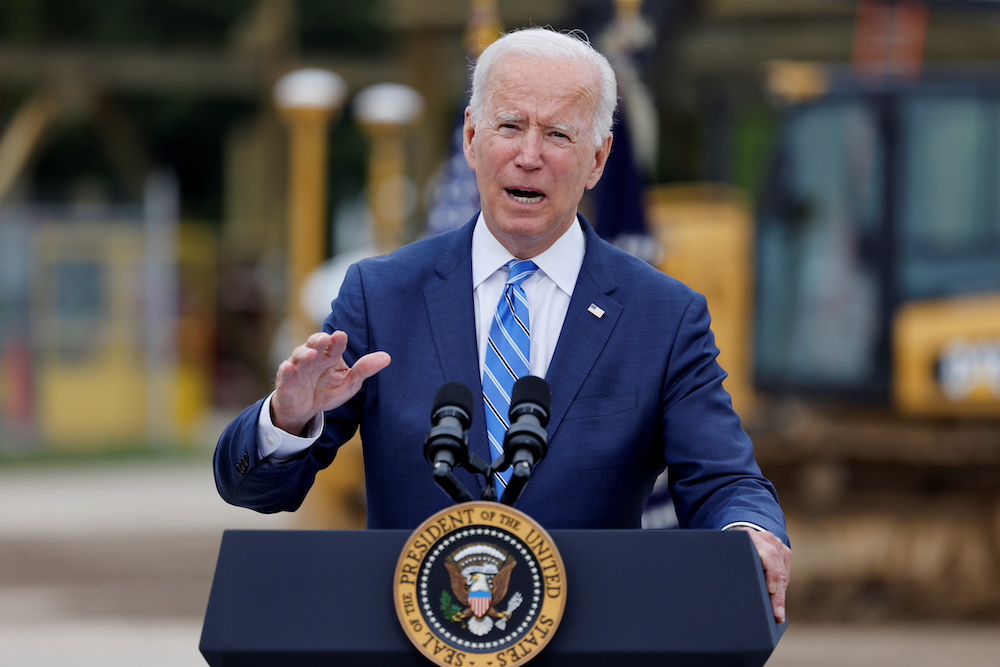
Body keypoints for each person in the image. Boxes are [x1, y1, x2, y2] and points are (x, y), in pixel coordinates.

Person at [214, 26, 791, 624]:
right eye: (510, 126)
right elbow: (256, 490)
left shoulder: (663, 316)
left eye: (558, 134)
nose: (529, 155)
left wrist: (749, 532)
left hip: (591, 637)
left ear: (598, 160)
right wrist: (286, 419)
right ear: (471, 138)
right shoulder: (381, 295)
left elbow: (724, 480)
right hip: (415, 639)